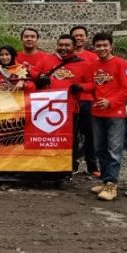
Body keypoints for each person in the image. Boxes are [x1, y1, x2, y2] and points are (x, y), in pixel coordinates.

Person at [35, 34, 93, 174]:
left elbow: (92, 84)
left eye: (67, 45)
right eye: (61, 45)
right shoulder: (47, 60)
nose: (63, 48)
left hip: (70, 109)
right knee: (47, 138)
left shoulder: (83, 64)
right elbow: (33, 72)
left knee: (69, 139)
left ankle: (68, 167)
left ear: (74, 47)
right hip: (47, 108)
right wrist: (40, 78)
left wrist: (81, 87)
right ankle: (45, 166)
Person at [87, 32, 127, 201]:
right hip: (97, 113)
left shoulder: (121, 64)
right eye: (98, 46)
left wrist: (110, 102)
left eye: (105, 45)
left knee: (114, 149)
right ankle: (105, 181)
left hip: (115, 113)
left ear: (111, 46)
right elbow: (93, 86)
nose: (102, 48)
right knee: (99, 149)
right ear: (94, 47)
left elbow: (126, 91)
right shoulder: (93, 65)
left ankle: (112, 184)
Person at [70, 25, 100, 177]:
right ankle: (72, 164)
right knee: (71, 135)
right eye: (75, 35)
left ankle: (92, 165)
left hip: (88, 101)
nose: (78, 38)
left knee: (90, 135)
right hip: (70, 102)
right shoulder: (66, 56)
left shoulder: (93, 57)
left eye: (81, 35)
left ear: (86, 37)